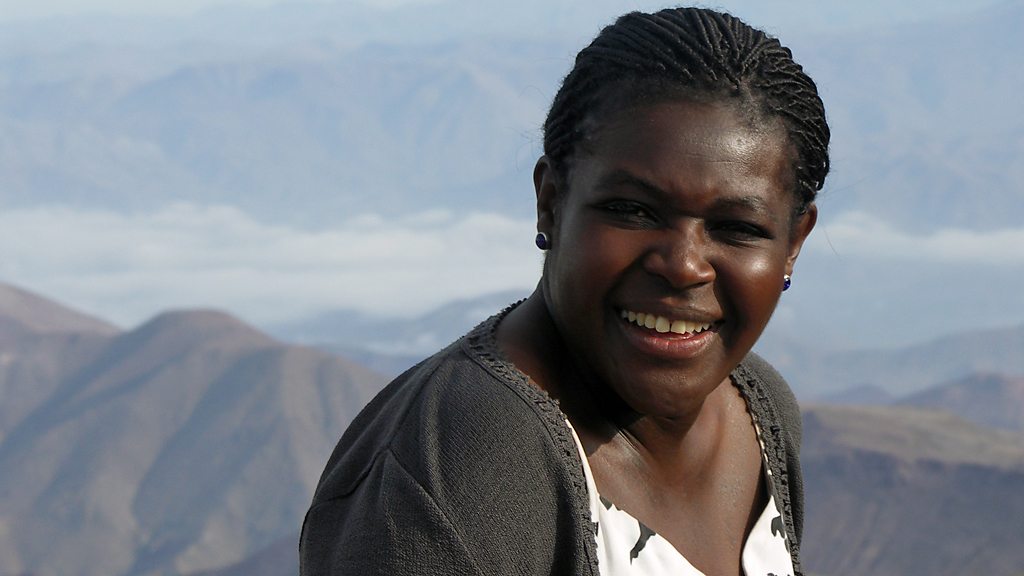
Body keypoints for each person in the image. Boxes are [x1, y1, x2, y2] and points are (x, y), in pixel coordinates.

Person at [300, 6, 829, 576]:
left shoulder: (759, 410)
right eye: (632, 210)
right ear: (551, 202)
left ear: (793, 242)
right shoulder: (456, 469)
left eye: (737, 227)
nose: (683, 266)